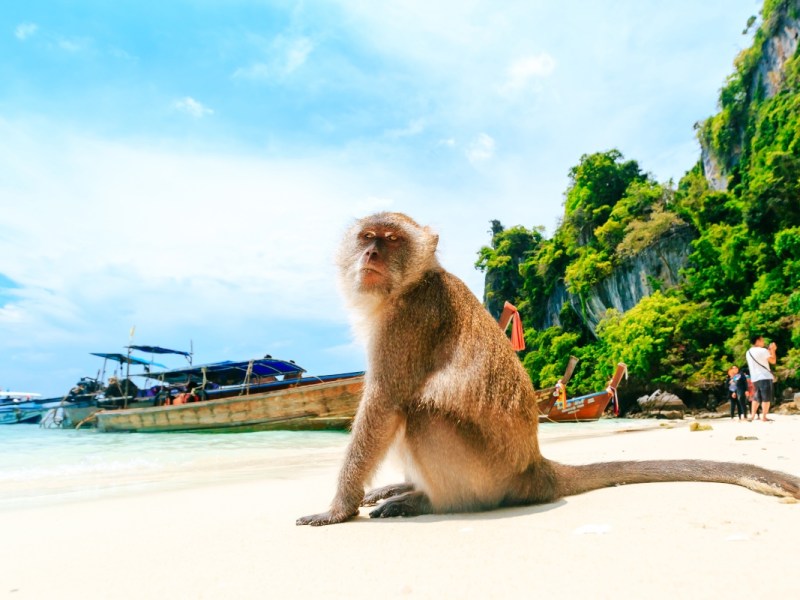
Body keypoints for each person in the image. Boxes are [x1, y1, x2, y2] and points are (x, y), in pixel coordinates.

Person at [745, 335, 777, 422]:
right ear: (758, 341)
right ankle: (764, 417)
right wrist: (773, 350)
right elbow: (773, 361)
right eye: (762, 340)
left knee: (756, 397)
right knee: (766, 398)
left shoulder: (748, 352)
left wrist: (769, 351)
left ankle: (752, 416)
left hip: (755, 377)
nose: (763, 342)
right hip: (765, 376)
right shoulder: (763, 351)